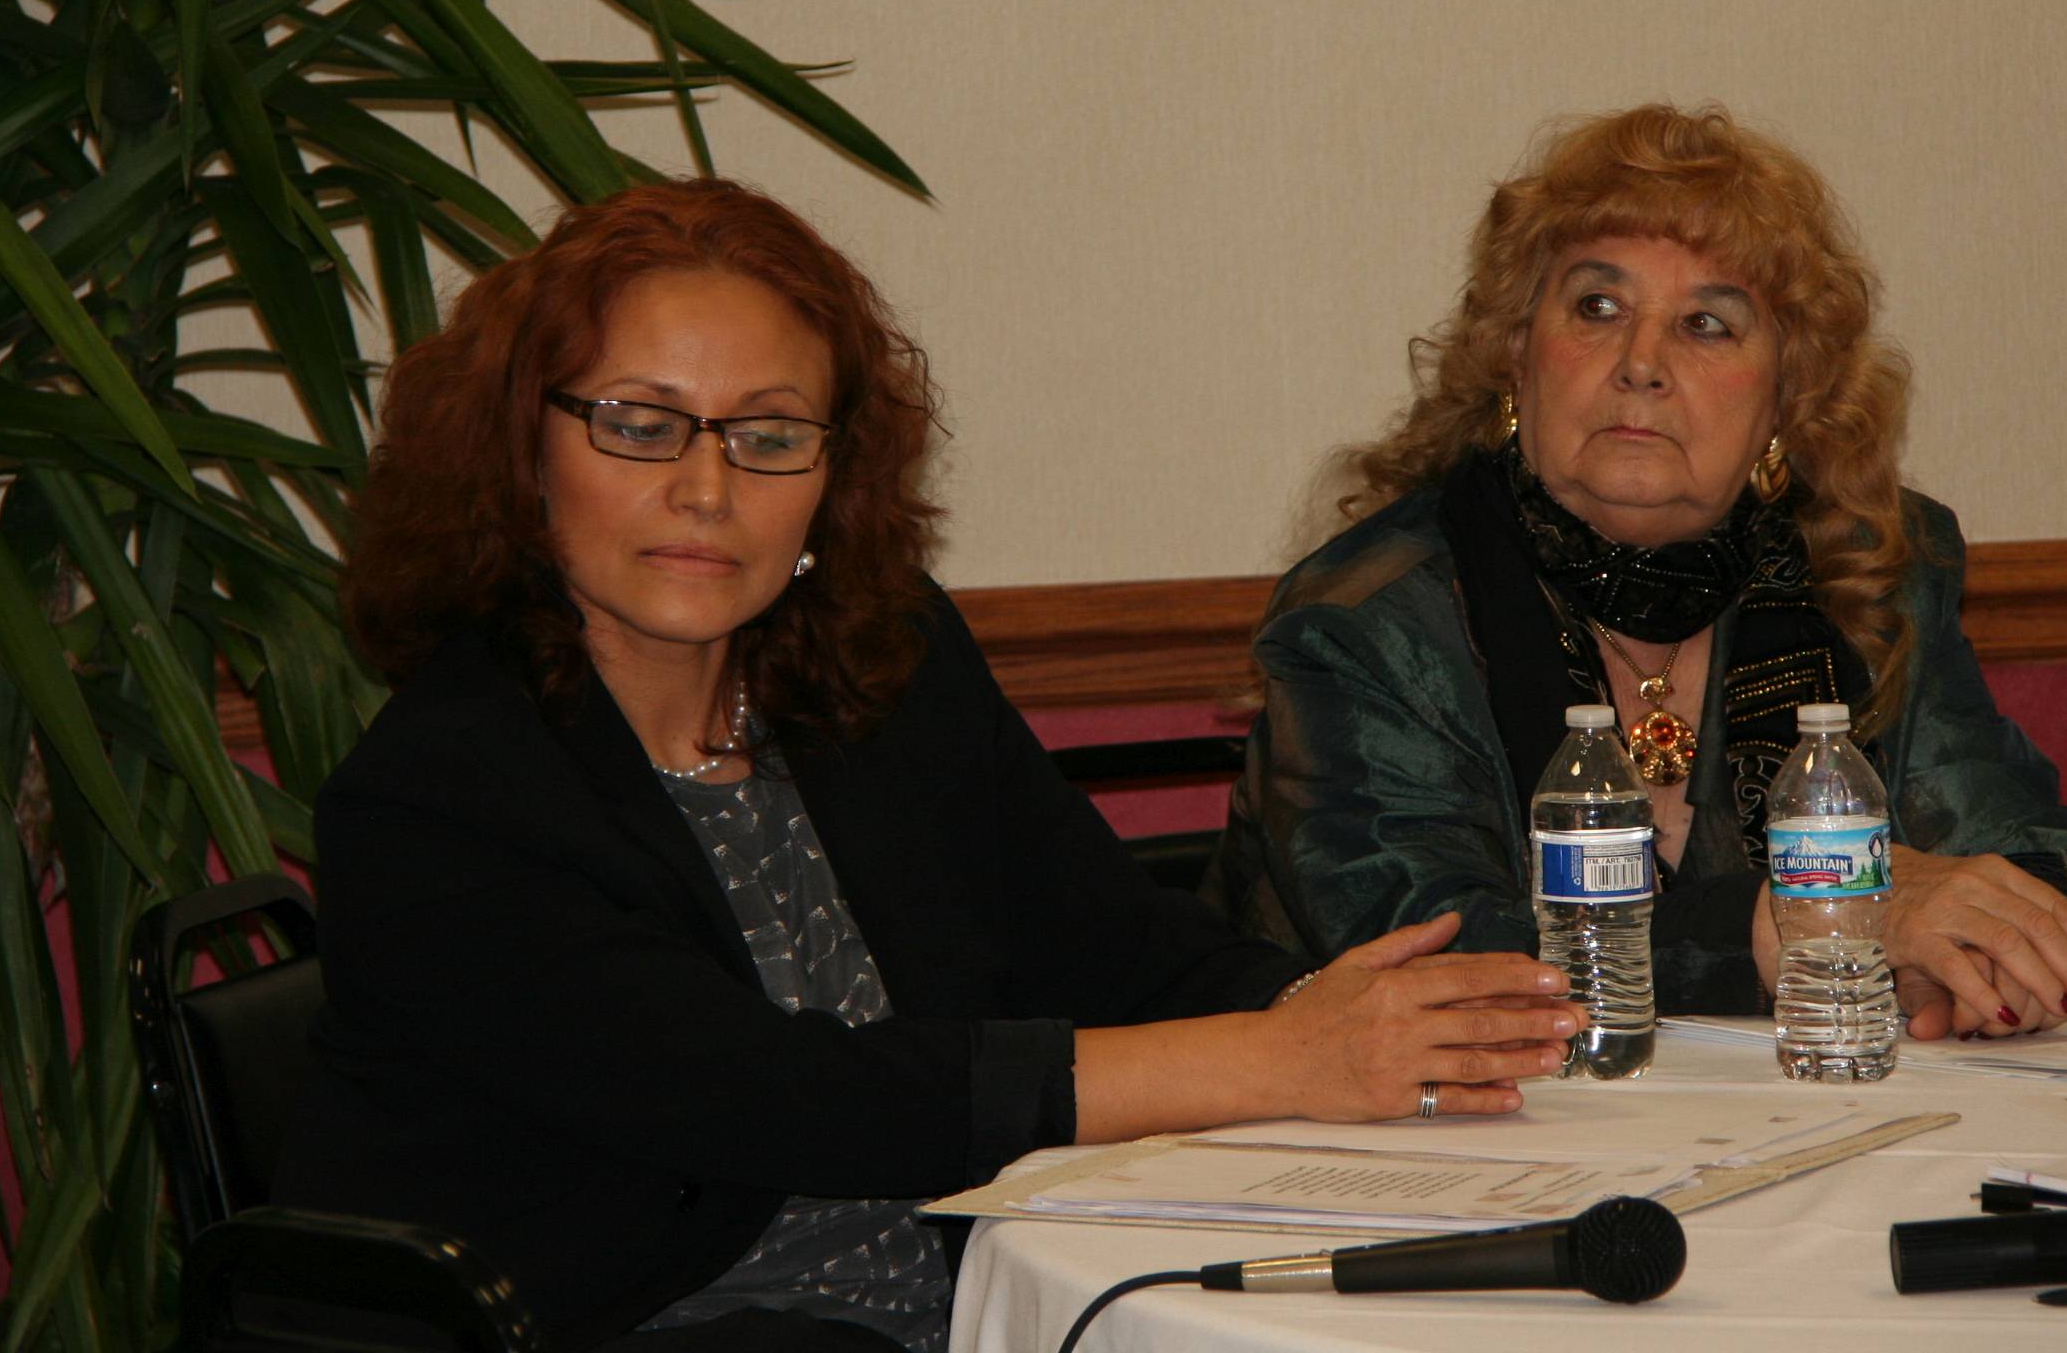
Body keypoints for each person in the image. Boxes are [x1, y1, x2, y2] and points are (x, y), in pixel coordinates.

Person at [273, 180, 1578, 1353]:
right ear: (523, 452)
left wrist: (1361, 1018)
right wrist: (1271, 1059)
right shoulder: (442, 792)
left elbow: (1114, 947)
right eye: (641, 425)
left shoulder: (883, 668)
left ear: (831, 477)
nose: (708, 488)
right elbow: (788, 1101)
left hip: (954, 1309)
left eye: (769, 434)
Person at [1211, 104, 2067, 1045]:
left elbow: (2063, 866)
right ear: (1514, 357)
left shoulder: (1865, 577)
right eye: (1598, 308)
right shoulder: (1370, 621)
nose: (1642, 364)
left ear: (1787, 397)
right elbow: (1441, 961)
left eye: (1707, 323)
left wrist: (1997, 948)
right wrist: (1819, 918)